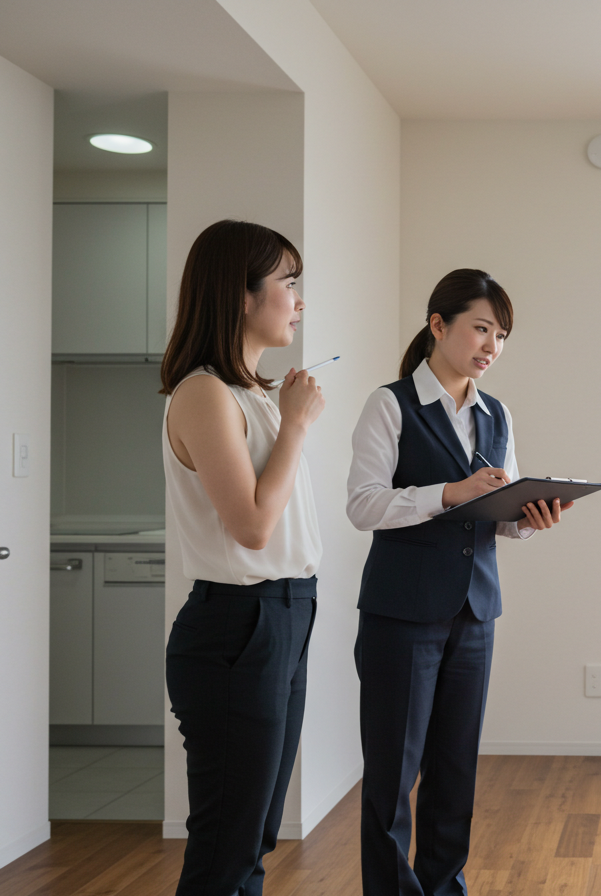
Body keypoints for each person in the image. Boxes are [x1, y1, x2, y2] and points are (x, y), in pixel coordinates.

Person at [347, 268, 570, 895]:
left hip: (474, 613)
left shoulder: (495, 413)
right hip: (400, 616)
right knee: (393, 776)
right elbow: (363, 505)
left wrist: (530, 517)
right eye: (480, 328)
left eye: (500, 335)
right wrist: (449, 492)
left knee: (454, 773)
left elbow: (496, 512)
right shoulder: (389, 404)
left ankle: (445, 888)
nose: (491, 346)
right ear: (437, 325)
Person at [160, 220, 325, 896]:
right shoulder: (204, 394)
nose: (298, 300)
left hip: (286, 616)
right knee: (227, 847)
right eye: (288, 283)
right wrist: (295, 426)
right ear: (241, 295)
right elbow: (254, 525)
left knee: (252, 838)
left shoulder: (254, 392)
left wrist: (286, 417)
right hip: (239, 625)